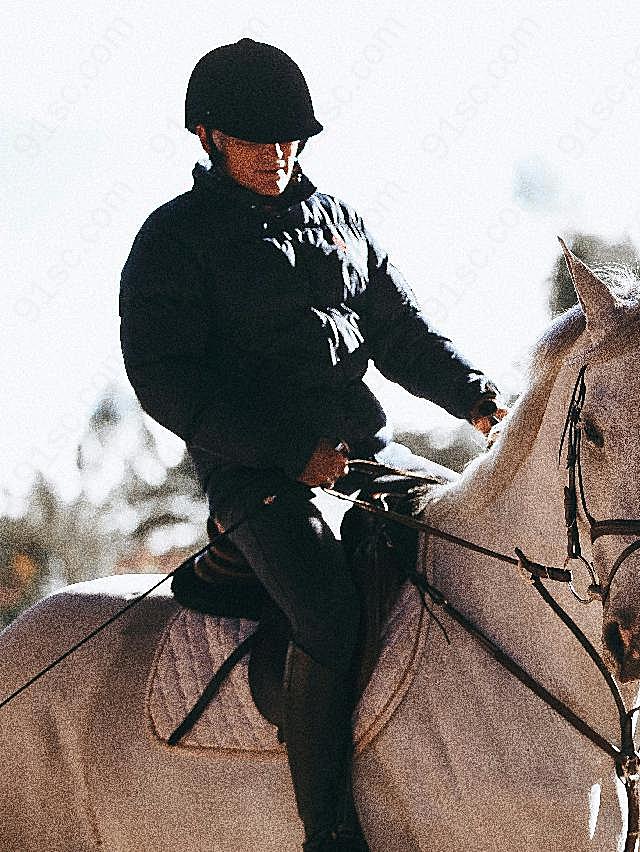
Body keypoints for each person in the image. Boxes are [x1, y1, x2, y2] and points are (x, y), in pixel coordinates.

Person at [119, 39, 504, 851]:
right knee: (329, 615)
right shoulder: (172, 241)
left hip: (369, 456)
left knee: (470, 541)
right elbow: (165, 381)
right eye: (260, 139)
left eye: (292, 138)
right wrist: (291, 451)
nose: (281, 154)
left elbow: (400, 334)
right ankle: (327, 828)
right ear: (208, 138)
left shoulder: (341, 221)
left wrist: (476, 398)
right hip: (256, 474)